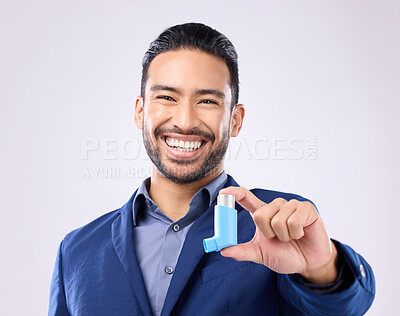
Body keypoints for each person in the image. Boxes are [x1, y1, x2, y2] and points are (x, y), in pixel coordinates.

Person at [49, 22, 375, 316]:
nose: (185, 121)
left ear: (235, 120)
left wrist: (322, 268)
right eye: (166, 97)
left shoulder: (278, 226)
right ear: (140, 112)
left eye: (207, 101)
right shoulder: (77, 252)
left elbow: (340, 308)